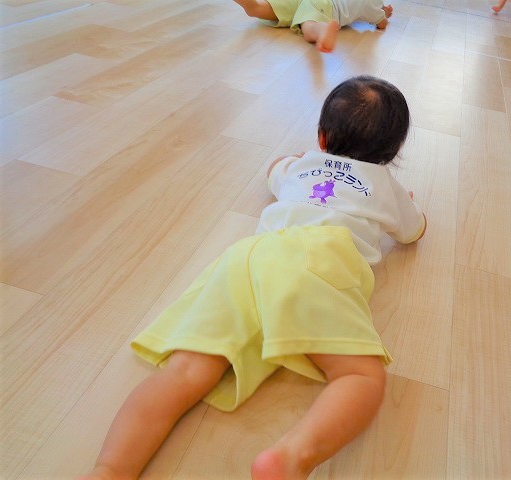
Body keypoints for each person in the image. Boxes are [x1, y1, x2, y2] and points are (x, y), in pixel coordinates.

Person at [79, 75, 427, 480]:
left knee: (185, 371)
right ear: (392, 154)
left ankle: (109, 470)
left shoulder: (300, 167)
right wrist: (405, 205)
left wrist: (291, 163)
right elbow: (413, 231)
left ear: (321, 137)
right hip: (320, 263)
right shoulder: (386, 186)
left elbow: (273, 169)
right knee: (360, 376)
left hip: (250, 257)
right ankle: (291, 458)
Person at [233, 0, 394, 52]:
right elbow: (382, 24)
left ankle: (251, 5)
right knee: (309, 26)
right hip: (323, 5)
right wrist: (384, 14)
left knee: (258, 8)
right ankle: (321, 30)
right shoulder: (373, 4)